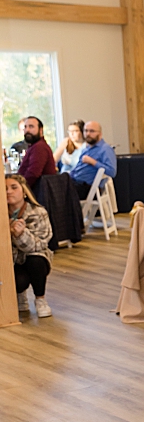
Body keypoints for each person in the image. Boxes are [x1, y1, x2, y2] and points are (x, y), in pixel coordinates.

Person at [7, 173, 53, 318]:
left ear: (24, 191)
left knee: (36, 261)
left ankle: (40, 299)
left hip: (34, 257)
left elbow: (39, 245)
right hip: (11, 261)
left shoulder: (38, 212)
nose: (8, 192)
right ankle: (19, 294)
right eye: (4, 188)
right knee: (17, 280)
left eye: (13, 187)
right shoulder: (2, 215)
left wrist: (20, 235)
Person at [68, 120, 117, 200]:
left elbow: (112, 172)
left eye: (92, 131)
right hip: (75, 183)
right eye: (86, 131)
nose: (88, 134)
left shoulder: (105, 149)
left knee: (56, 191)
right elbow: (77, 169)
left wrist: (93, 162)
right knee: (52, 185)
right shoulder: (86, 149)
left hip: (87, 188)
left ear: (100, 134)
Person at [17, 117, 57, 188]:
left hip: (39, 193)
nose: (27, 130)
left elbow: (33, 174)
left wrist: (20, 188)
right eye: (25, 127)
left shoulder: (39, 147)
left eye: (31, 126)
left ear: (40, 130)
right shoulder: (34, 146)